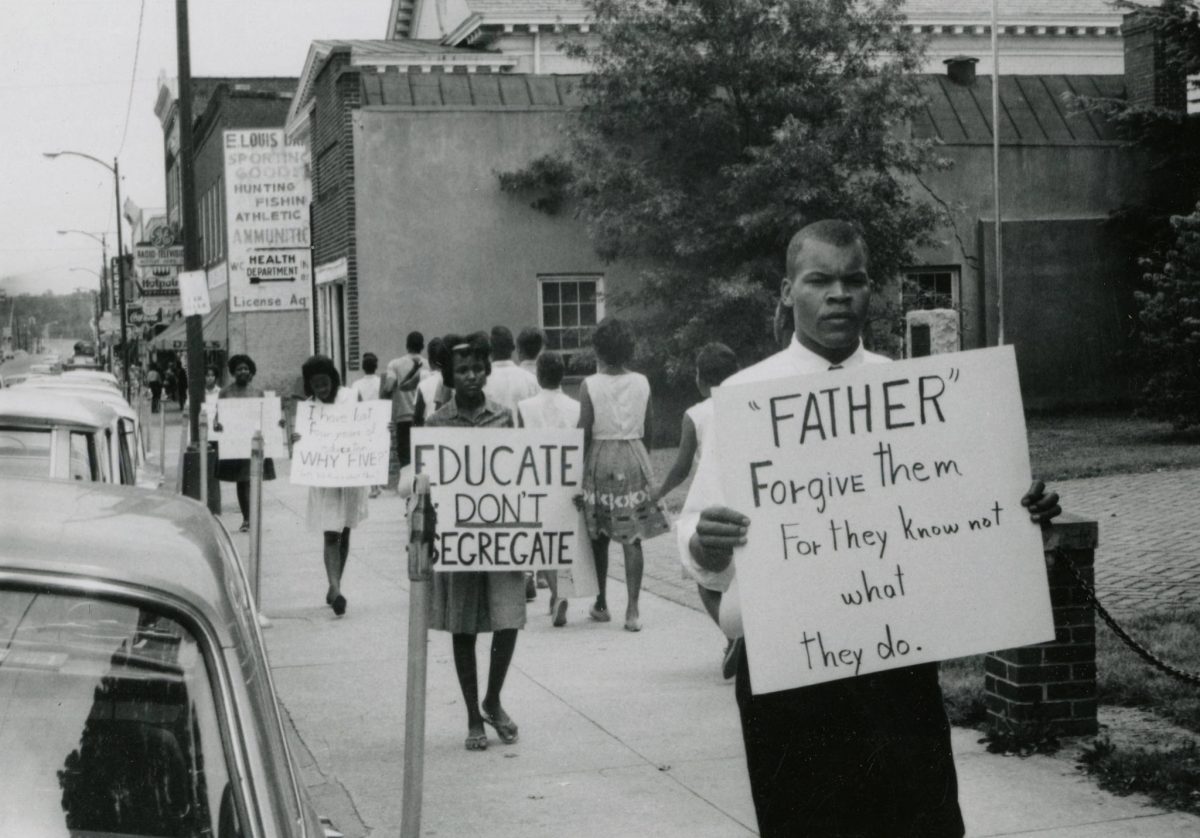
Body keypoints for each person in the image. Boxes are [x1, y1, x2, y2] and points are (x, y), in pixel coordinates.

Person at [678, 219, 1062, 838]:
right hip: (790, 674)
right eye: (819, 280)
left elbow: (956, 512)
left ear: (870, 290)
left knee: (920, 822)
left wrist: (1017, 520)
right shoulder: (745, 401)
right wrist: (704, 541)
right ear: (786, 291)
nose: (838, 294)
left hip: (896, 666)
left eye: (852, 280)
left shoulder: (917, 393)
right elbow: (701, 536)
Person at [427, 332, 525, 751]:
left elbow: (528, 472)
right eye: (461, 369)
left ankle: (493, 698)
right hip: (458, 538)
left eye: (476, 368)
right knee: (463, 625)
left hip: (501, 533)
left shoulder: (505, 416)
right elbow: (427, 483)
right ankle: (473, 715)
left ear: (487, 371)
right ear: (449, 375)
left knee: (509, 619)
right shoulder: (436, 423)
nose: (470, 376)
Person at [651, 341, 740, 676]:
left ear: (700, 380)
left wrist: (659, 491)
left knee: (702, 574)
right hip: (747, 498)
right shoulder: (749, 402)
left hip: (713, 505)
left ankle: (732, 634)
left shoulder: (696, 414)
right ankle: (744, 636)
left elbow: (682, 466)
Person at [578, 316, 670, 632]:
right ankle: (632, 610)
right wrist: (644, 459)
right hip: (633, 454)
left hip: (601, 457)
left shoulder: (589, 384)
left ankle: (602, 602)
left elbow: (584, 431)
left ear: (598, 350)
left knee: (600, 534)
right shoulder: (642, 382)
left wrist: (578, 469)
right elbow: (650, 427)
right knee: (633, 535)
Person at [294, 354, 369, 617]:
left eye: (325, 383)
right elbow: (303, 445)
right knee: (330, 532)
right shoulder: (309, 408)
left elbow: (366, 426)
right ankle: (335, 588)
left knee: (344, 530)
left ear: (333, 380)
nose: (322, 390)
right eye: (316, 386)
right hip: (325, 479)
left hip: (349, 477)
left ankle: (335, 583)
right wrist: (297, 438)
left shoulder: (350, 396)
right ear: (310, 386)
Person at [517, 351, 581, 627]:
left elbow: (520, 443)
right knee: (563, 537)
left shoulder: (525, 407)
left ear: (538, 375)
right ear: (562, 375)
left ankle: (557, 593)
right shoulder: (576, 406)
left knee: (541, 541)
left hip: (536, 476)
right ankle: (560, 593)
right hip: (567, 476)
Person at [484, 325, 542, 599]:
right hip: (523, 452)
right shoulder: (528, 379)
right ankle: (528, 571)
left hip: (493, 455)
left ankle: (500, 571)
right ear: (512, 349)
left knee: (496, 514)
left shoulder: (484, 380)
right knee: (523, 513)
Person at [216, 354, 276, 533]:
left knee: (252, 481)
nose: (243, 371)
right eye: (239, 369)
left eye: (246, 369)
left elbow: (265, 417)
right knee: (242, 482)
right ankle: (247, 518)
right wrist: (218, 425)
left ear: (251, 371)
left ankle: (253, 518)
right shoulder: (225, 392)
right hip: (236, 443)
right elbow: (218, 416)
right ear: (233, 372)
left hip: (252, 442)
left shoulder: (257, 392)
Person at [381, 332, 428, 486]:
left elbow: (388, 387)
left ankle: (408, 495)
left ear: (407, 345)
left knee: (406, 461)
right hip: (423, 418)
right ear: (422, 346)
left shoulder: (394, 364)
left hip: (403, 418)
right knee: (423, 459)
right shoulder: (427, 364)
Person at [352, 353, 384, 497]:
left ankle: (373, 486)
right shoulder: (380, 383)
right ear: (376, 366)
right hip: (378, 420)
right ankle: (375, 485)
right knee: (378, 452)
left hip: (363, 421)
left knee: (367, 453)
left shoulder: (356, 384)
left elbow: (354, 404)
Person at [413, 337, 451, 426]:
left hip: (430, 432)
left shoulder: (423, 385)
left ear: (429, 361)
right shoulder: (453, 381)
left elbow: (417, 418)